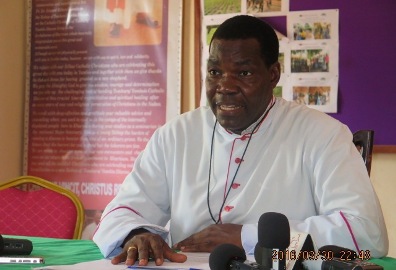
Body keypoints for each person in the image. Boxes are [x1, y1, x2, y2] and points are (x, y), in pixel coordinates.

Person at [93, 15, 388, 266]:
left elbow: (366, 237)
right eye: (214, 72)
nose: (224, 87)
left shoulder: (323, 134)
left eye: (243, 73)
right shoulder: (176, 134)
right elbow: (121, 211)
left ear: (273, 75)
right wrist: (136, 234)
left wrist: (249, 237)